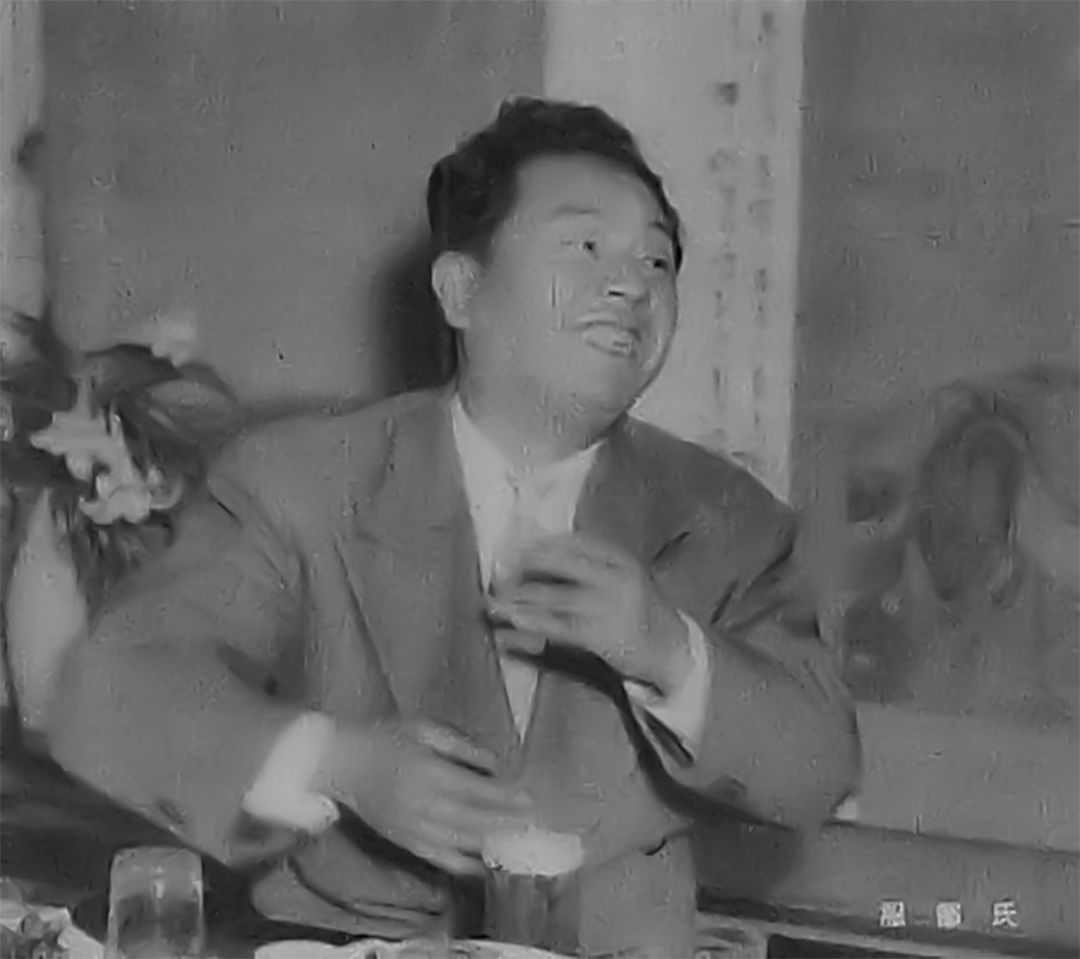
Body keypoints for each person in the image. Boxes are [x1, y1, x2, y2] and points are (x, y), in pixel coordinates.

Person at [46, 98, 859, 955]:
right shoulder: (304, 481)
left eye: (656, 259)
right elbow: (109, 692)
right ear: (462, 290)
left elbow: (819, 769)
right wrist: (339, 763)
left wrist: (668, 649)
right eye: (586, 247)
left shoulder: (726, 517)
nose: (632, 285)